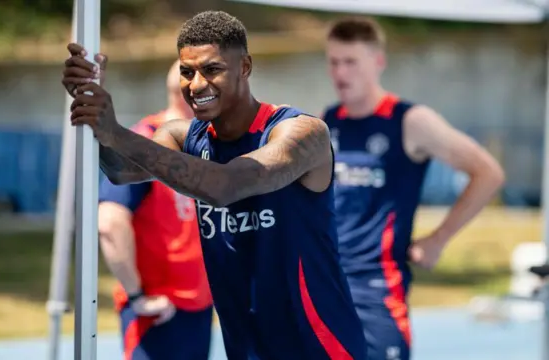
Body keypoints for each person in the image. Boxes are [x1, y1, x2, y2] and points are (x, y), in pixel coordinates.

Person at [63, 10, 367, 360]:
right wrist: (91, 107)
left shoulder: (302, 133)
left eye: (212, 70)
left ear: (245, 67)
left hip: (321, 349)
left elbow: (226, 185)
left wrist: (115, 130)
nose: (196, 85)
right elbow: (120, 169)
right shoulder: (183, 136)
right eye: (187, 72)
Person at [321, 16, 505, 360]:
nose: (340, 73)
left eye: (350, 62)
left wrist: (438, 239)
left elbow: (488, 173)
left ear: (378, 62)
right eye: (333, 62)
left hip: (377, 291)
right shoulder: (327, 121)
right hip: (325, 286)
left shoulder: (409, 120)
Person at [98, 60, 213, 360]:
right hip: (159, 312)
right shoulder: (147, 141)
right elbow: (110, 222)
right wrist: (137, 295)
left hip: (197, 307)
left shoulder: (205, 144)